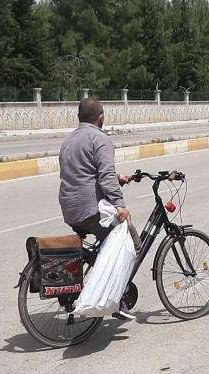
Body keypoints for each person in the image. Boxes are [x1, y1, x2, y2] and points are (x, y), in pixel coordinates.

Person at [58, 97, 139, 321]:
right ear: (101, 117)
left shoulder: (69, 140)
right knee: (129, 239)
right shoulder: (100, 138)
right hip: (89, 209)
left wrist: (118, 178)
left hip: (69, 208)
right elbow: (103, 176)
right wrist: (120, 205)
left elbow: (83, 172)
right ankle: (116, 300)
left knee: (107, 244)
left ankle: (99, 282)